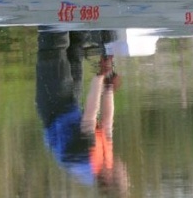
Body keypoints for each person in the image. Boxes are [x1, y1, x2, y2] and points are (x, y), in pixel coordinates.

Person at [35, 29, 129, 190]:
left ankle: (53, 13)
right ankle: (73, 11)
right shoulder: (104, 162)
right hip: (70, 105)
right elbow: (106, 126)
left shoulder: (87, 161)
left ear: (109, 177)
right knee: (76, 44)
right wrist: (108, 89)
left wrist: (100, 75)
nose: (125, 169)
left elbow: (90, 119)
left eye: (123, 175)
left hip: (53, 106)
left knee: (55, 45)